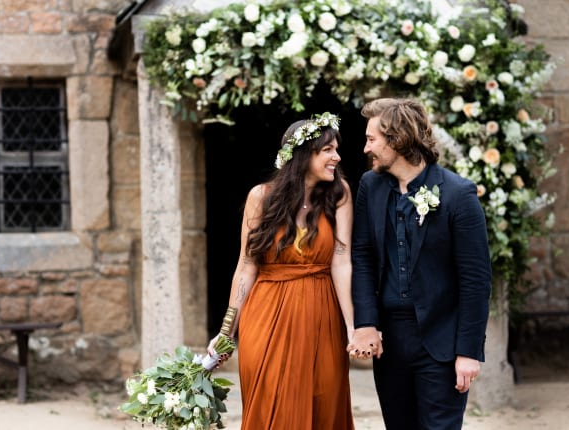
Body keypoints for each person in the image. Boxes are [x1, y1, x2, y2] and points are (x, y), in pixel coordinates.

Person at [347, 97, 492, 429]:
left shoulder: (458, 194)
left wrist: (468, 352)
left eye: (372, 139)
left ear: (397, 140)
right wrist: (366, 322)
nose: (366, 148)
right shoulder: (370, 186)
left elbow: (476, 280)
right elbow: (364, 256)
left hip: (442, 340)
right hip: (391, 343)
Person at [208, 112, 355, 430]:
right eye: (328, 149)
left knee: (325, 401)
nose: (337, 157)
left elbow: (342, 261)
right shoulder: (260, 197)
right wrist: (226, 332)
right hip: (267, 315)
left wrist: (353, 327)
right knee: (271, 405)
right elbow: (246, 267)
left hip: (322, 317)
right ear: (305, 154)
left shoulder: (339, 193)